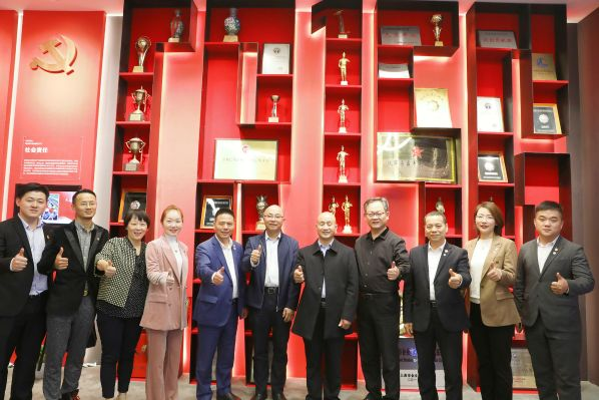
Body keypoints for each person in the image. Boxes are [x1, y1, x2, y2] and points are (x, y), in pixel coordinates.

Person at [514, 201, 595, 399]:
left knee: (567, 380)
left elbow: (588, 281)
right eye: (542, 219)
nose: (547, 223)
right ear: (535, 222)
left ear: (561, 223)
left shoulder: (573, 250)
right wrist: (522, 314)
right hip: (534, 324)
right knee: (543, 379)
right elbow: (519, 285)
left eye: (553, 219)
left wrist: (568, 286)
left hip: (563, 326)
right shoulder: (525, 249)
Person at [39, 189, 109, 400]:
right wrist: (54, 263)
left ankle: (69, 392)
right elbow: (42, 265)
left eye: (91, 203)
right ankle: (52, 396)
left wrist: (104, 268)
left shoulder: (103, 234)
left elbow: (99, 267)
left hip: (88, 301)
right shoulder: (60, 232)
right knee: (55, 354)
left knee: (78, 353)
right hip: (61, 301)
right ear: (74, 206)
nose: (88, 207)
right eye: (83, 203)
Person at [403, 211, 471, 400]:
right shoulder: (415, 253)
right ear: (425, 229)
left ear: (446, 227)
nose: (434, 229)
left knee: (452, 369)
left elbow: (466, 277)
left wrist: (459, 280)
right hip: (422, 317)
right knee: (424, 368)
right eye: (430, 226)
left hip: (450, 318)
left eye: (438, 225)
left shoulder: (458, 253)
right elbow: (409, 288)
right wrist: (407, 317)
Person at [291, 212, 358, 400]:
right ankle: (313, 395)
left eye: (329, 223)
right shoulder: (304, 252)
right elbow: (297, 275)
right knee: (312, 361)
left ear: (336, 227)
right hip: (311, 313)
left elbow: (353, 287)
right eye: (322, 223)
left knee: (334, 361)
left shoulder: (347, 253)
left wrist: (348, 315)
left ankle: (331, 396)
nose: (326, 227)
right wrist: (296, 276)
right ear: (316, 227)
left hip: (337, 314)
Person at [241, 205, 299, 400]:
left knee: (281, 350)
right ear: (263, 218)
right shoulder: (253, 241)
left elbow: (295, 277)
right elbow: (244, 266)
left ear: (283, 219)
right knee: (260, 349)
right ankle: (260, 390)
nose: (273, 219)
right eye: (269, 216)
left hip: (282, 302)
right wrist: (252, 260)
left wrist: (291, 305)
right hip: (259, 301)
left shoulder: (292, 244)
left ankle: (278, 390)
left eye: (277, 216)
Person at [354, 197, 409, 400]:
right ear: (365, 216)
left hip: (386, 304)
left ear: (387, 215)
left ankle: (392, 395)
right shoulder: (359, 242)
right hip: (362, 304)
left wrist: (399, 272)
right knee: (368, 353)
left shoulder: (396, 241)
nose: (375, 217)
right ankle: (373, 392)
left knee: (389, 354)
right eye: (371, 213)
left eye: (379, 213)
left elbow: (406, 265)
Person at [0, 183, 51, 400]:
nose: (35, 205)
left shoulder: (50, 233)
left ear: (46, 205)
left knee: (28, 362)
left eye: (40, 201)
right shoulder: (4, 228)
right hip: (8, 307)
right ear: (18, 201)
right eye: (30, 200)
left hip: (39, 306)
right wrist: (10, 263)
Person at [464, 202, 520, 400]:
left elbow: (513, 277)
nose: (484, 220)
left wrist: (500, 275)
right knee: (484, 363)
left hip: (499, 312)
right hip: (474, 310)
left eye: (489, 217)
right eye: (480, 216)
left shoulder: (506, 244)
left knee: (500, 364)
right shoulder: (469, 245)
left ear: (497, 221)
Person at [95, 210, 151, 400]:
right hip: (110, 307)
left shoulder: (148, 249)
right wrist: (104, 266)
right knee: (110, 355)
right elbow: (100, 258)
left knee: (128, 354)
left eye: (142, 224)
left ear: (147, 228)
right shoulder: (115, 243)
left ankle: (123, 393)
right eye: (134, 223)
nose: (138, 228)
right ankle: (108, 396)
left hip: (136, 310)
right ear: (126, 225)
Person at [194, 208, 245, 400]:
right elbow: (202, 268)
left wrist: (243, 304)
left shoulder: (238, 248)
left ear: (234, 225)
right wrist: (212, 276)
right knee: (205, 357)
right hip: (211, 310)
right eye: (221, 223)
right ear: (214, 224)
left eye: (229, 223)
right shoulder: (205, 247)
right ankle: (204, 394)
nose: (225, 227)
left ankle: (224, 391)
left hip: (232, 309)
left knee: (227, 355)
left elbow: (240, 278)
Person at [139, 205, 188, 400]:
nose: (174, 225)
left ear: (182, 223)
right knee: (156, 362)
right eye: (169, 221)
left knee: (173, 361)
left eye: (177, 221)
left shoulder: (183, 248)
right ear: (162, 223)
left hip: (178, 309)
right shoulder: (154, 246)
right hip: (160, 306)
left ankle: (171, 396)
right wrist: (163, 277)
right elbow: (151, 273)